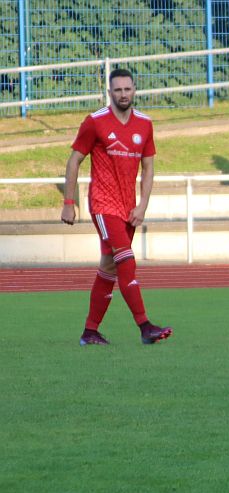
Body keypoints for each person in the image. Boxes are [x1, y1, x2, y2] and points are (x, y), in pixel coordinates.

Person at [61, 67, 172, 346]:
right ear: (109, 92)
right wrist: (68, 203)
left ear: (135, 90)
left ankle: (90, 331)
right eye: (118, 90)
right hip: (103, 204)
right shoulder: (95, 122)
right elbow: (74, 160)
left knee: (109, 268)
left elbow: (148, 168)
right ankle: (145, 326)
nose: (123, 94)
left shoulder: (145, 124)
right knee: (126, 259)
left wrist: (143, 205)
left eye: (128, 89)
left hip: (128, 207)